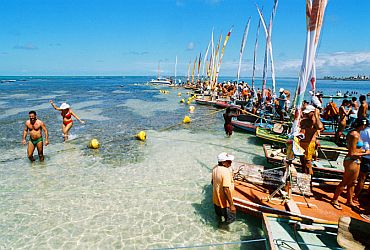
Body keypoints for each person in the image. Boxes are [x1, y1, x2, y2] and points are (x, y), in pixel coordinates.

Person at [331, 118, 370, 210]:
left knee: (352, 183)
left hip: (356, 161)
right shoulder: (354, 135)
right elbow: (352, 152)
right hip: (351, 160)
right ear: (363, 125)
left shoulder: (356, 133)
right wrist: (366, 153)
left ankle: (350, 201)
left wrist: (363, 151)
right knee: (345, 181)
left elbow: (355, 148)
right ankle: (334, 199)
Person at [212, 152, 236, 224]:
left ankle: (219, 225)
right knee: (231, 219)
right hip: (225, 203)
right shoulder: (226, 172)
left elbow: (212, 182)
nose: (231, 162)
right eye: (229, 161)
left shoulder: (215, 168)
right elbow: (226, 189)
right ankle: (223, 229)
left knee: (219, 216)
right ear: (223, 162)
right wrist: (231, 205)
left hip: (216, 200)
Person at [299, 105, 324, 175]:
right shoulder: (305, 120)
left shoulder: (315, 121)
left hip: (309, 144)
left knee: (308, 163)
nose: (306, 114)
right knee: (303, 162)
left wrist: (316, 115)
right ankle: (304, 176)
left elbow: (320, 127)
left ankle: (310, 179)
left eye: (308, 113)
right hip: (302, 143)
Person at [354, 120, 370, 202]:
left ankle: (356, 196)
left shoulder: (362, 132)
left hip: (364, 156)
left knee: (361, 178)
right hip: (366, 156)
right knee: (362, 178)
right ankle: (358, 196)